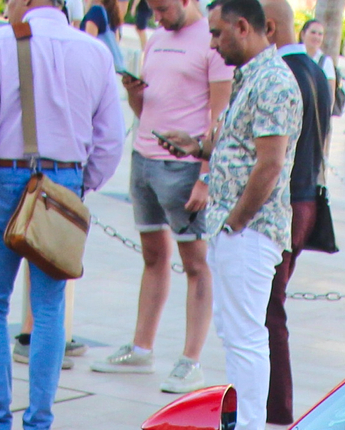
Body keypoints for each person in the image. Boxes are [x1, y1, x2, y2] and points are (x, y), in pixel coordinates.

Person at [0, 0, 126, 430]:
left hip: (2, 174)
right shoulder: (95, 52)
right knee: (49, 308)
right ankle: (37, 429)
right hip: (62, 180)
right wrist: (81, 184)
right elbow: (112, 138)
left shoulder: (0, 42)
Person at [157, 0, 293, 430]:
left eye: (217, 34)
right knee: (236, 332)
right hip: (236, 227)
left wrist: (236, 218)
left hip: (251, 230)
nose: (212, 43)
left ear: (244, 26)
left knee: (245, 334)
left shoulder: (274, 80)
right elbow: (238, 143)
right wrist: (197, 146)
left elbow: (271, 163)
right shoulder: (252, 76)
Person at [92, 0, 230, 390]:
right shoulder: (156, 38)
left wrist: (206, 175)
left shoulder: (212, 39)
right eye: (153, 9)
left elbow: (218, 115)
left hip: (185, 167)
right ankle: (142, 347)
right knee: (153, 255)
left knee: (195, 262)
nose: (158, 16)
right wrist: (134, 92)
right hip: (145, 158)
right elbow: (146, 105)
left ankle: (191, 359)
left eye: (164, 8)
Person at [263, 0, 329, 428]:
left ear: (268, 28)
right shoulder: (318, 72)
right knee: (271, 304)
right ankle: (271, 407)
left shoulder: (283, 74)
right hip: (307, 199)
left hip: (288, 200)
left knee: (270, 308)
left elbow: (275, 154)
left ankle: (276, 411)